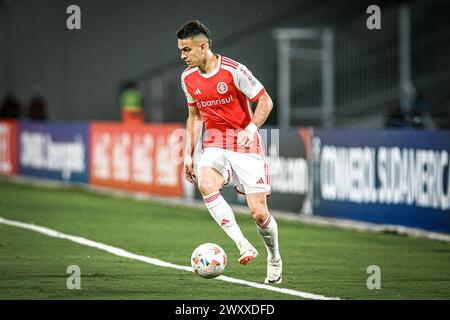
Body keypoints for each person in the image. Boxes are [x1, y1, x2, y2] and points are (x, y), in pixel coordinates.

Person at [177, 20, 282, 284]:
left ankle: (274, 257)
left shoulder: (234, 71)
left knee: (259, 213)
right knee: (206, 184)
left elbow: (265, 100)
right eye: (181, 50)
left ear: (203, 47)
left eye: (187, 50)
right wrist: (189, 154)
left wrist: (251, 127)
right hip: (214, 143)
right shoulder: (187, 79)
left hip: (244, 143)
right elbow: (194, 116)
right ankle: (243, 245)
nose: (182, 56)